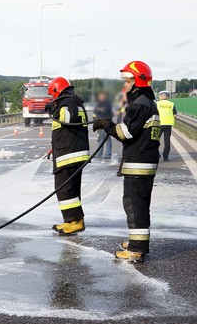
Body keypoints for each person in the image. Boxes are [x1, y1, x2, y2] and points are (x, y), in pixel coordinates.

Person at [92, 61, 160, 263]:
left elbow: (125, 132)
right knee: (139, 204)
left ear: (137, 81)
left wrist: (107, 125)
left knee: (134, 204)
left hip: (138, 163)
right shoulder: (147, 102)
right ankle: (136, 242)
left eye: (127, 81)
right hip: (144, 161)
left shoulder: (140, 104)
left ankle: (137, 249)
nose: (124, 86)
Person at [45, 77, 90, 235]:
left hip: (69, 154)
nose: (53, 99)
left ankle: (74, 221)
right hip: (72, 151)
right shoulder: (74, 101)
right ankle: (75, 220)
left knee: (64, 190)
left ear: (57, 90)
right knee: (71, 189)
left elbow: (68, 119)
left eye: (53, 96)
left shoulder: (68, 103)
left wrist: (52, 109)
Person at [92, 91, 114, 159]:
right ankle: (99, 154)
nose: (100, 97)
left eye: (102, 96)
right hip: (99, 125)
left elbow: (104, 110)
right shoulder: (99, 104)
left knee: (107, 140)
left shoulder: (107, 103)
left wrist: (99, 110)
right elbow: (95, 112)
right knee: (100, 140)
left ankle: (107, 155)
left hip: (105, 124)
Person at [157, 90, 178, 161]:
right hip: (168, 124)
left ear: (160, 97)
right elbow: (175, 115)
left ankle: (157, 154)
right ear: (168, 97)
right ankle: (165, 157)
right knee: (167, 141)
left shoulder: (157, 104)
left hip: (159, 124)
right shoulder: (171, 104)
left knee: (155, 140)